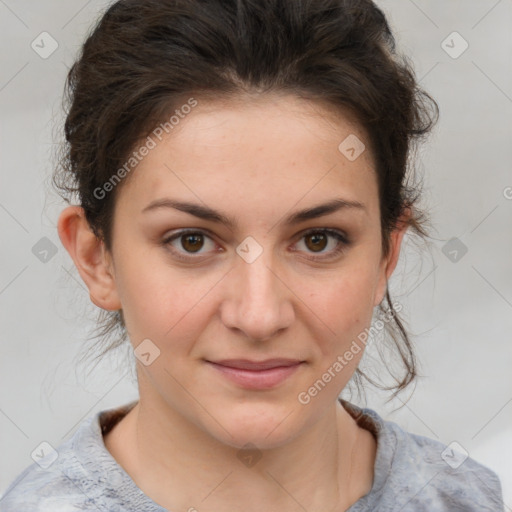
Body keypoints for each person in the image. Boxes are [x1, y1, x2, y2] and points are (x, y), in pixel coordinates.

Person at [0, 0, 505, 511]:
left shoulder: (466, 498)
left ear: (386, 255)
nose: (260, 316)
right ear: (96, 258)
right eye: (191, 241)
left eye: (318, 240)